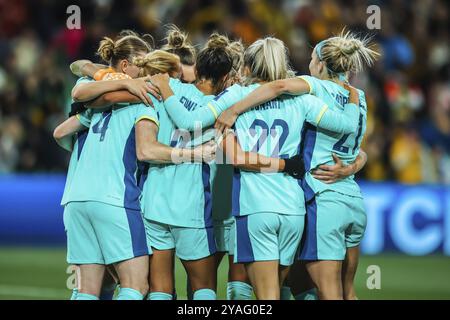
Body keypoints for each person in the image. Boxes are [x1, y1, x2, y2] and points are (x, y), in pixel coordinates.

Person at [149, 36, 362, 299]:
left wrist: (168, 89)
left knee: (264, 296)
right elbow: (346, 128)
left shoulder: (237, 95)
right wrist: (353, 99)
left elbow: (192, 121)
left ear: (247, 68)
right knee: (285, 290)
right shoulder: (302, 99)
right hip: (293, 208)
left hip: (255, 206)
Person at [212, 30, 380, 300]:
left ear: (321, 65)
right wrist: (352, 167)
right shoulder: (356, 97)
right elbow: (357, 145)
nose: (309, 63)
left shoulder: (309, 89)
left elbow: (277, 87)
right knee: (336, 290)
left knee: (313, 292)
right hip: (344, 198)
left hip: (318, 198)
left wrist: (233, 109)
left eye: (313, 58)